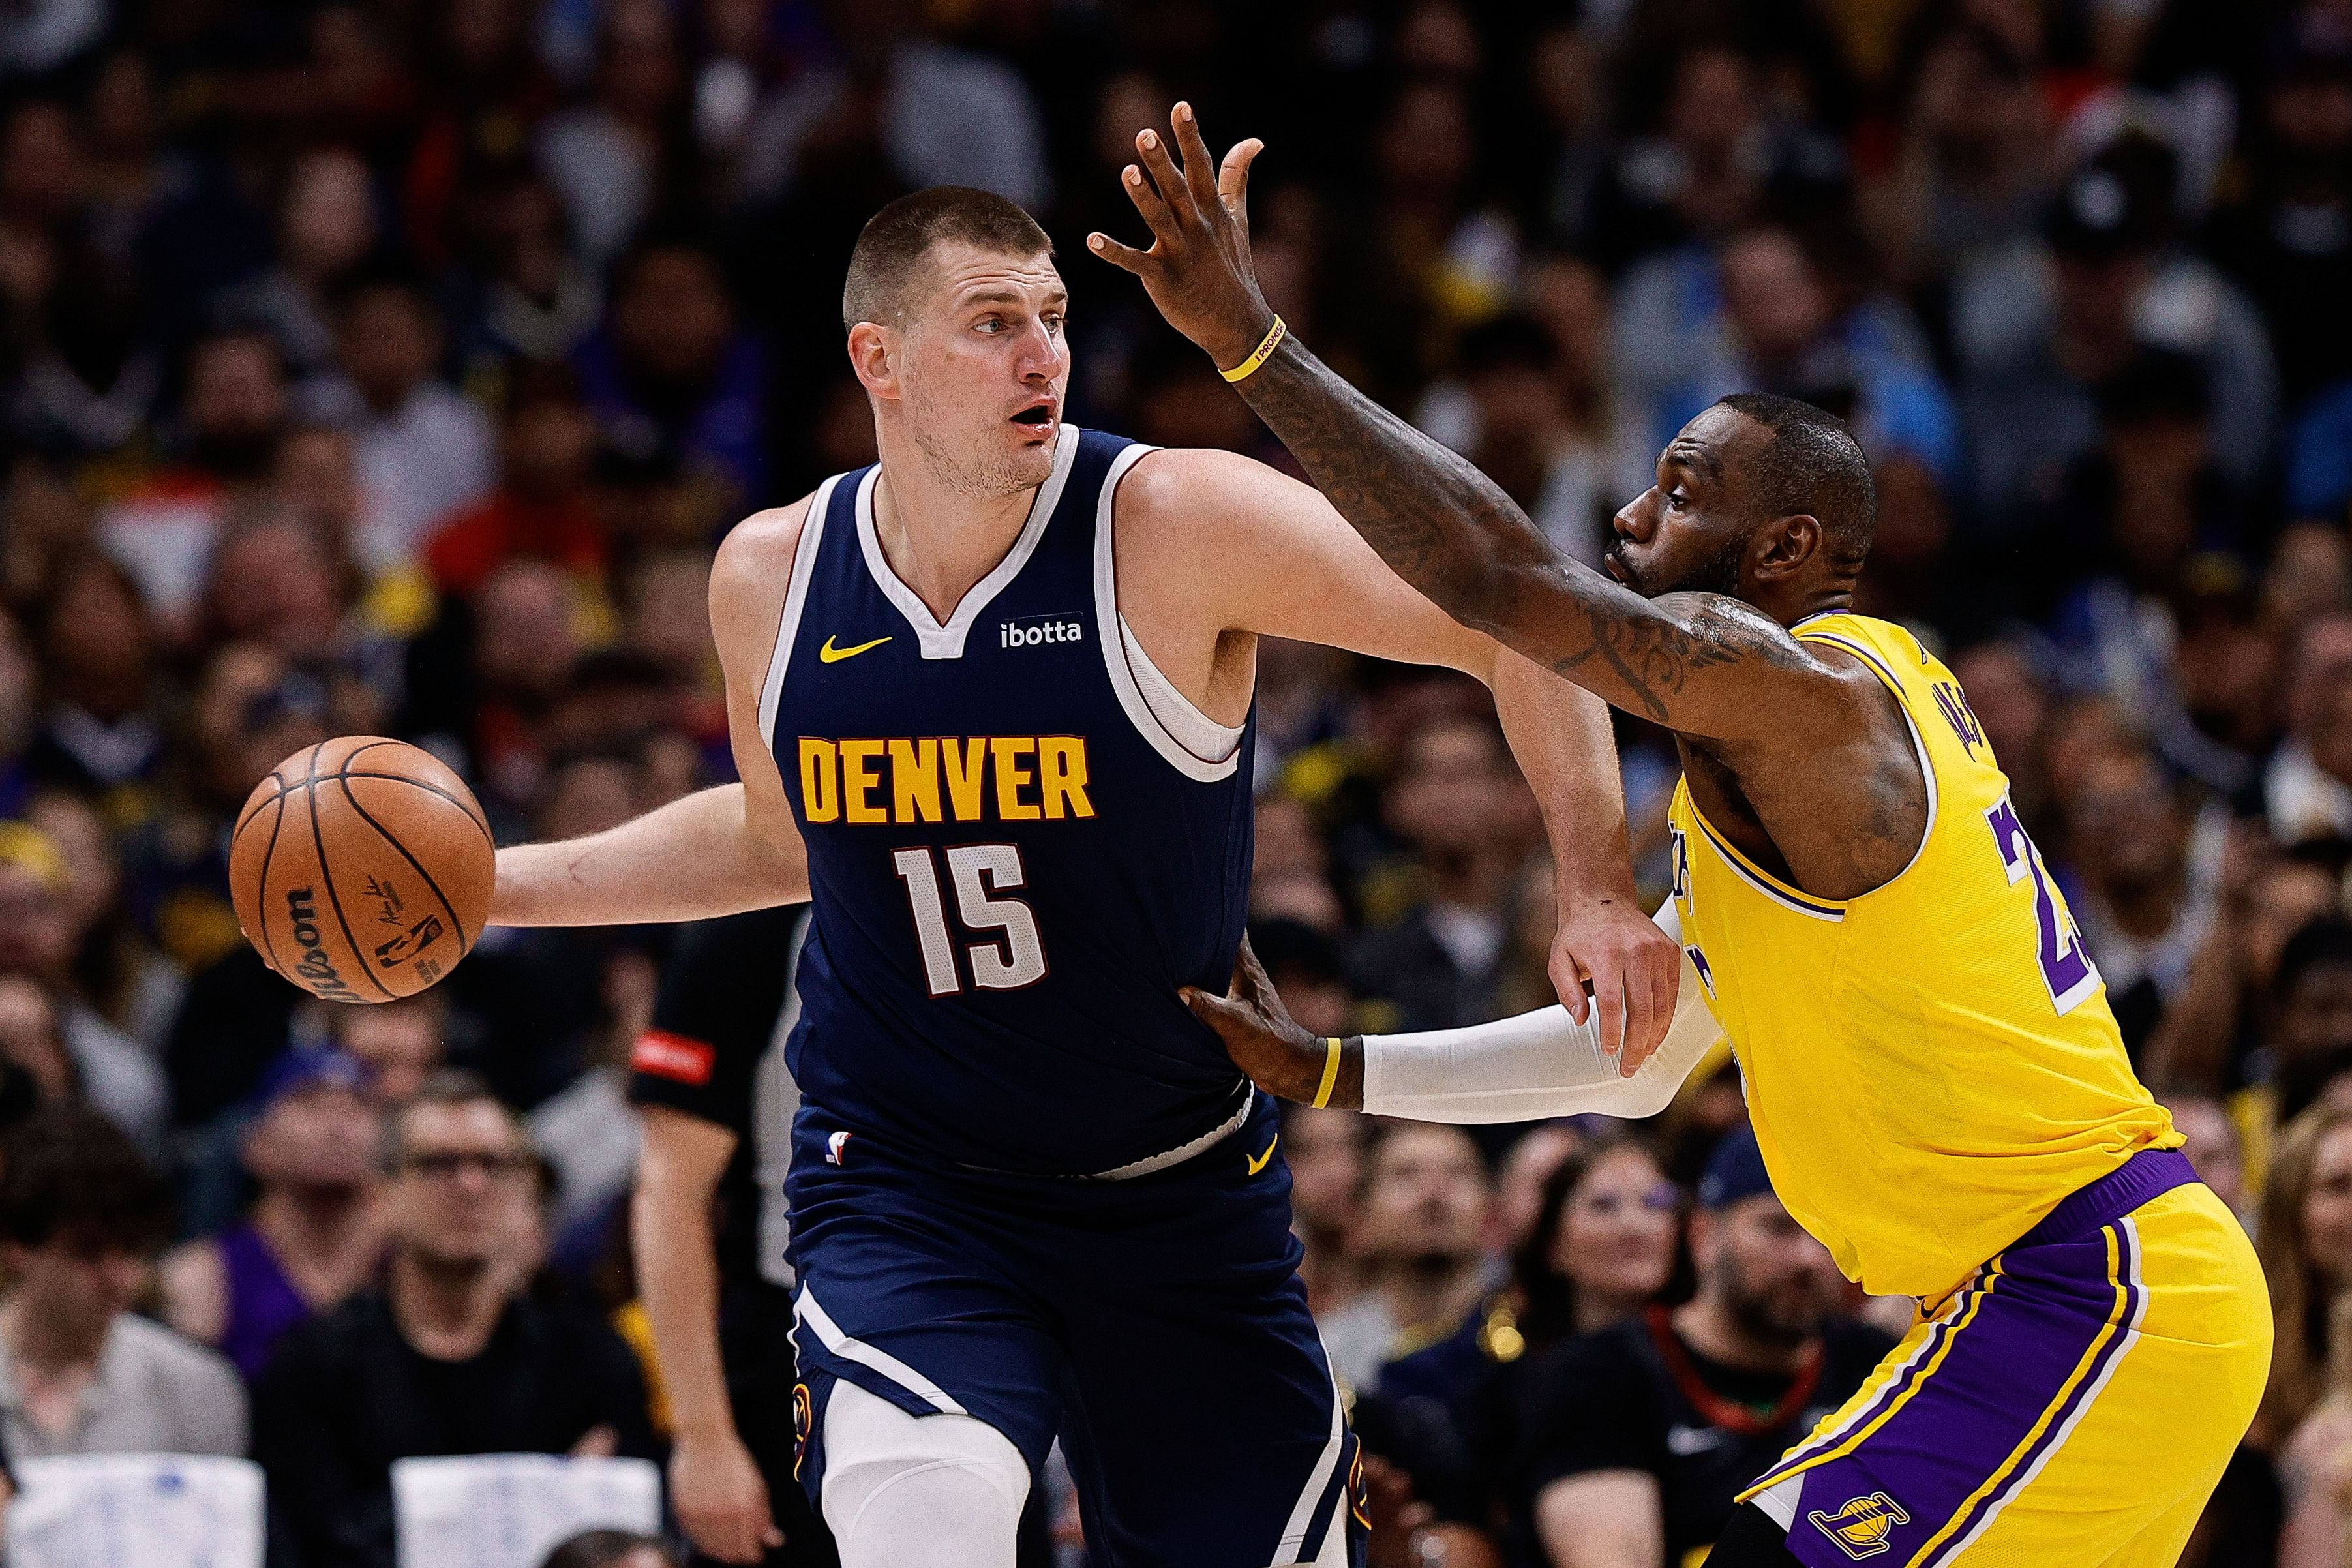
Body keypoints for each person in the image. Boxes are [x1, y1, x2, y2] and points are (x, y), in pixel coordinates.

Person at [1126, 102, 2270, 1567]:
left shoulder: (1806, 692)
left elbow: (1498, 579)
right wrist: (1337, 1070)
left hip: (2085, 1284)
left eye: (1680, 492)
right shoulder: (1789, 782)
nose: (1629, 514)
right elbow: (1638, 1054)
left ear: (1784, 551)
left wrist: (1253, 348)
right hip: (2056, 1295)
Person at [480, 181, 1680, 1568]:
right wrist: (488, 888)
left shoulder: (1169, 520)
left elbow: (1516, 610)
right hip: (911, 1184)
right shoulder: (773, 571)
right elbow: (776, 840)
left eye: (1052, 317)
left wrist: (1595, 879)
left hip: (1176, 1192)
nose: (1043, 353)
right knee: (922, 1531)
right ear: (879, 358)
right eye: (993, 324)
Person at [252, 1071, 654, 1568]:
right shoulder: (312, 1365)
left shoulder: (590, 1356)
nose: (471, 1185)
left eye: (494, 1164)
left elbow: (631, 1543)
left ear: (522, 1191)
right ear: (381, 1199)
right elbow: (318, 1546)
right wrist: (550, 1495)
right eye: (438, 1165)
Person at [1518, 1128, 1896, 1568]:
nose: (1808, 1258)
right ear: (1704, 1235)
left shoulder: (1877, 1365)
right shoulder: (1600, 1374)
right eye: (1778, 1227)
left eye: (1830, 1235)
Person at [627, 904, 836, 1567]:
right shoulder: (754, 925)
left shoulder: (1032, 876)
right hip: (796, 1336)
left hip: (988, 1322)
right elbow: (668, 1192)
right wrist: (704, 1436)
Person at [0, 1104, 246, 1461]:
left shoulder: (198, 1386)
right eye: (88, 1255)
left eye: (132, 1251)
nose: (119, 1279)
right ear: (17, 1249)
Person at [158, 1046, 386, 1381]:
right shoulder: (201, 1278)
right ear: (256, 1143)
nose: (338, 1125)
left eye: (358, 1106)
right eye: (310, 1104)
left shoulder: (412, 1259)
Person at [1318, 1122, 1498, 1394]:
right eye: (1406, 1175)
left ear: (1491, 1211)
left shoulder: (1537, 1332)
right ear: (1361, 1217)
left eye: (1456, 1173)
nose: (1434, 1194)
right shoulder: (1328, 1356)